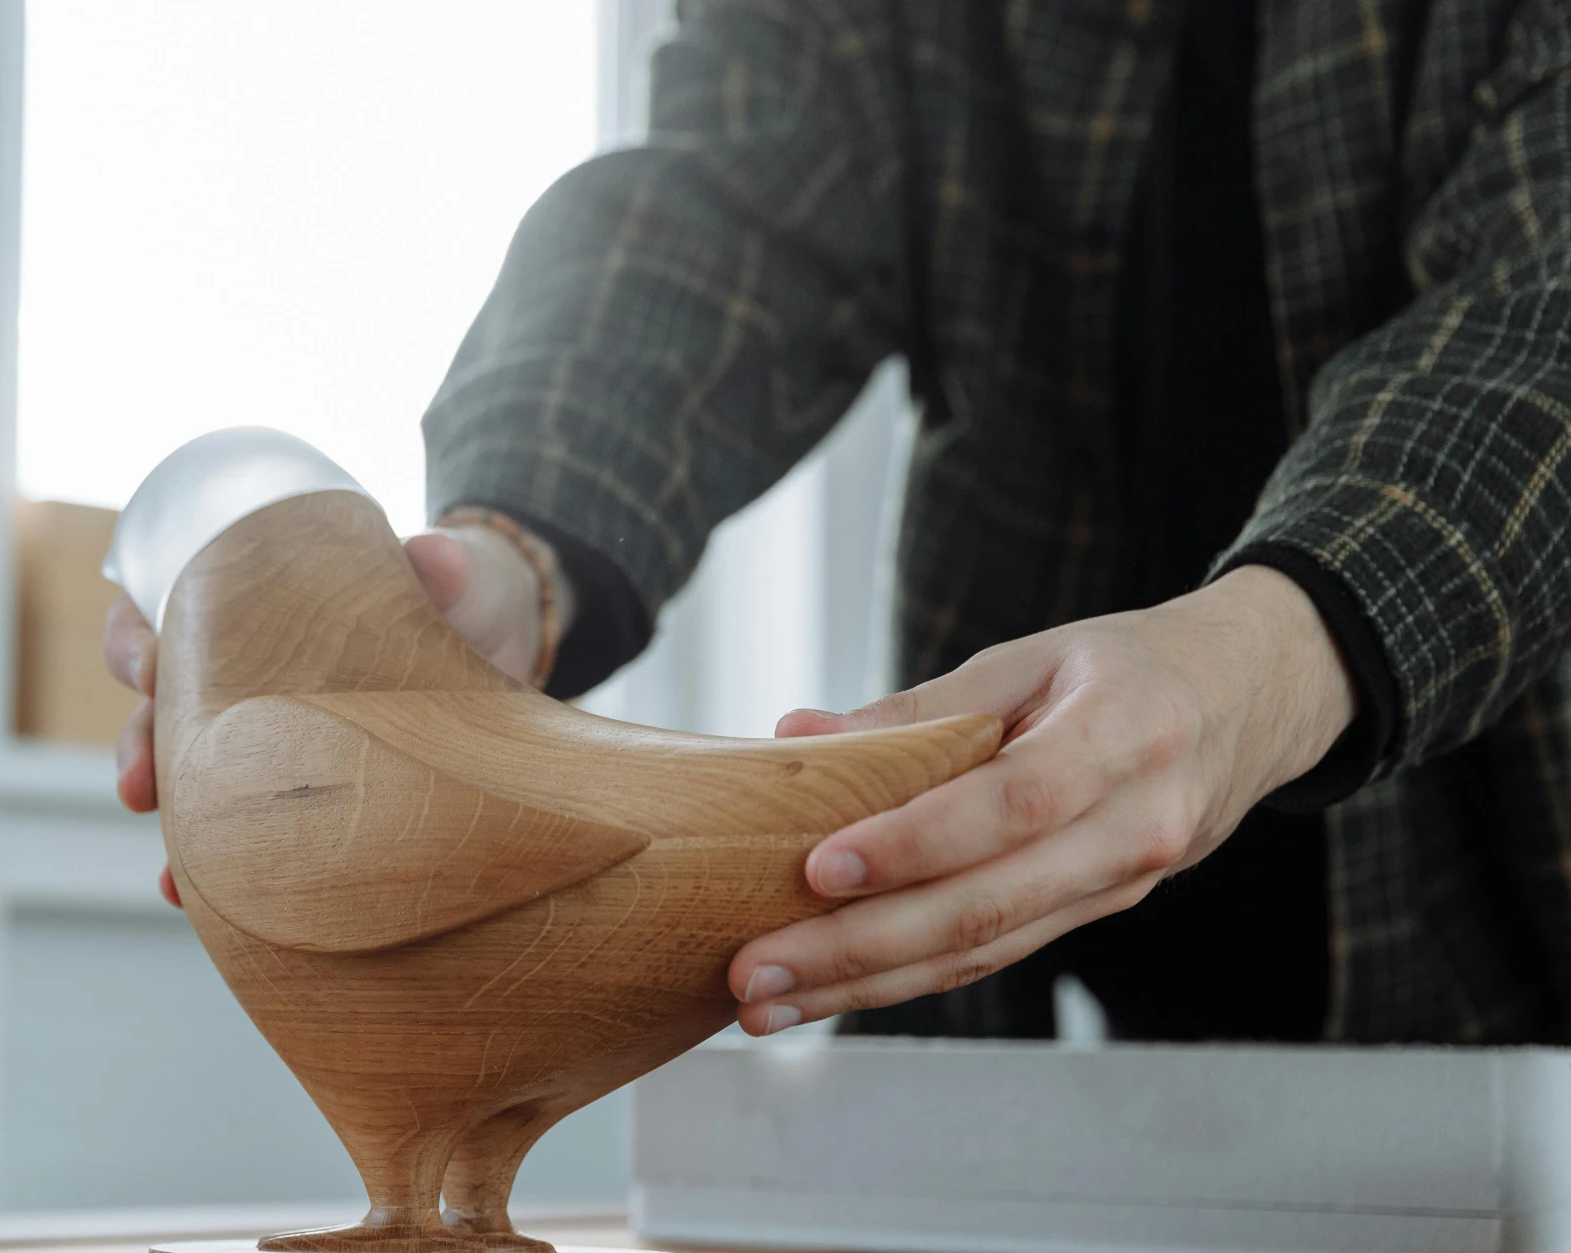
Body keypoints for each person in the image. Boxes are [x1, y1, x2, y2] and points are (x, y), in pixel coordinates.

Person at [107, 0, 1571, 1045]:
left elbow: (1537, 327)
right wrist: (510, 554)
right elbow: (724, 210)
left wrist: (1254, 663)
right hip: (1134, 1044)